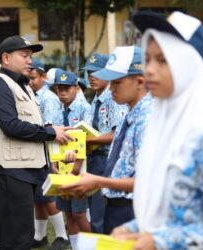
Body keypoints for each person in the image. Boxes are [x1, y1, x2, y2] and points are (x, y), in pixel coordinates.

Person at [111, 11, 203, 250]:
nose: (150, 70)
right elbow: (177, 211)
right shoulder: (163, 122)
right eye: (148, 59)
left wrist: (160, 240)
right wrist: (134, 229)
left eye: (163, 60)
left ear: (188, 65)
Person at [0, 35, 71, 250]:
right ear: (6, 58)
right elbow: (11, 126)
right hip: (10, 171)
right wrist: (51, 132)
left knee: (23, 236)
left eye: (30, 56)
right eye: (24, 56)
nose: (29, 61)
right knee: (16, 239)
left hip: (27, 168)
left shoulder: (24, 87)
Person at [63, 46, 151, 234]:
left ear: (140, 82)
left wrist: (99, 182)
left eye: (117, 82)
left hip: (134, 206)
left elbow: (148, 180)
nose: (111, 88)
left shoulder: (147, 119)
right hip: (119, 203)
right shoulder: (130, 113)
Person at [29, 60, 70, 249]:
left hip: (48, 154)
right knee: (39, 197)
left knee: (48, 195)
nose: (30, 82)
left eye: (34, 78)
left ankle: (62, 235)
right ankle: (40, 235)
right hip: (37, 152)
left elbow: (51, 129)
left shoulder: (48, 98)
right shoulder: (34, 95)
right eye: (28, 78)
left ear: (43, 77)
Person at [52, 70, 92, 250]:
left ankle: (90, 247)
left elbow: (86, 138)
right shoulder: (58, 108)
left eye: (67, 89)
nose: (62, 93)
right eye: (59, 89)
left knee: (79, 213)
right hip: (61, 168)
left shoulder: (85, 108)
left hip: (79, 168)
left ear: (76, 88)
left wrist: (76, 166)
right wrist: (54, 165)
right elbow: (52, 138)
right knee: (68, 212)